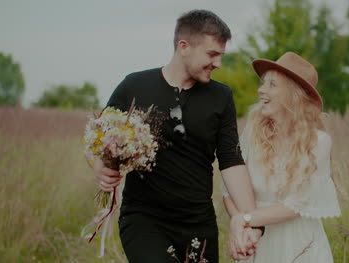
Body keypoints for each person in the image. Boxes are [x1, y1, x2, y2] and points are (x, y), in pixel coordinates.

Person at [92, 9, 260, 262]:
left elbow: (231, 160)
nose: (218, 64)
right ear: (184, 46)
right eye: (212, 54)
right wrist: (98, 166)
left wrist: (252, 221)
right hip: (144, 220)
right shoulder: (134, 86)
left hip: (198, 222)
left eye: (221, 56)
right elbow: (98, 141)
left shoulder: (221, 97)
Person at [222, 52, 341, 262]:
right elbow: (230, 189)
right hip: (255, 242)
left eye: (272, 85)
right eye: (263, 83)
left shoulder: (318, 142)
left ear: (293, 94)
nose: (261, 90)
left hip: (300, 246)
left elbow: (297, 205)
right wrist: (246, 228)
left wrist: (244, 220)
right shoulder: (252, 132)